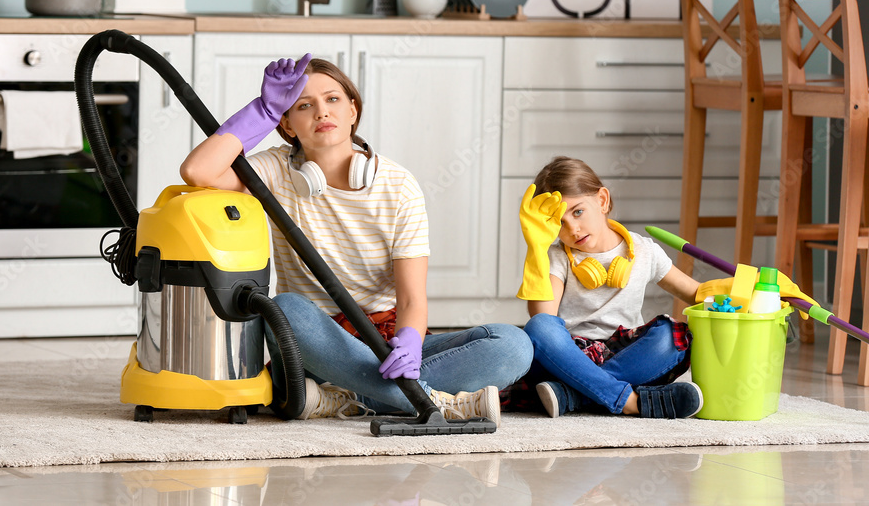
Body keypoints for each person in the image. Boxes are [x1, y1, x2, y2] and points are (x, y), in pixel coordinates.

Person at [180, 54, 532, 425]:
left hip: (384, 343)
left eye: (332, 99)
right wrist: (263, 109)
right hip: (314, 345)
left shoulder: (398, 186)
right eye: (303, 105)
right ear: (287, 124)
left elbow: (411, 297)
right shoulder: (274, 171)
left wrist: (410, 342)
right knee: (285, 308)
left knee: (513, 346)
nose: (321, 112)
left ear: (352, 109)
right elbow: (197, 170)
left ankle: (342, 400)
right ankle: (431, 401)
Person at [512, 155, 704, 419]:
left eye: (578, 212)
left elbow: (697, 294)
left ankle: (574, 395)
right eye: (559, 223)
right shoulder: (556, 256)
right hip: (571, 356)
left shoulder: (646, 251)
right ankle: (629, 401)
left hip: (627, 353)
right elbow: (542, 316)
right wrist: (536, 249)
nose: (573, 229)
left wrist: (746, 292)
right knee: (539, 328)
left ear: (602, 201)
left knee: (671, 337)